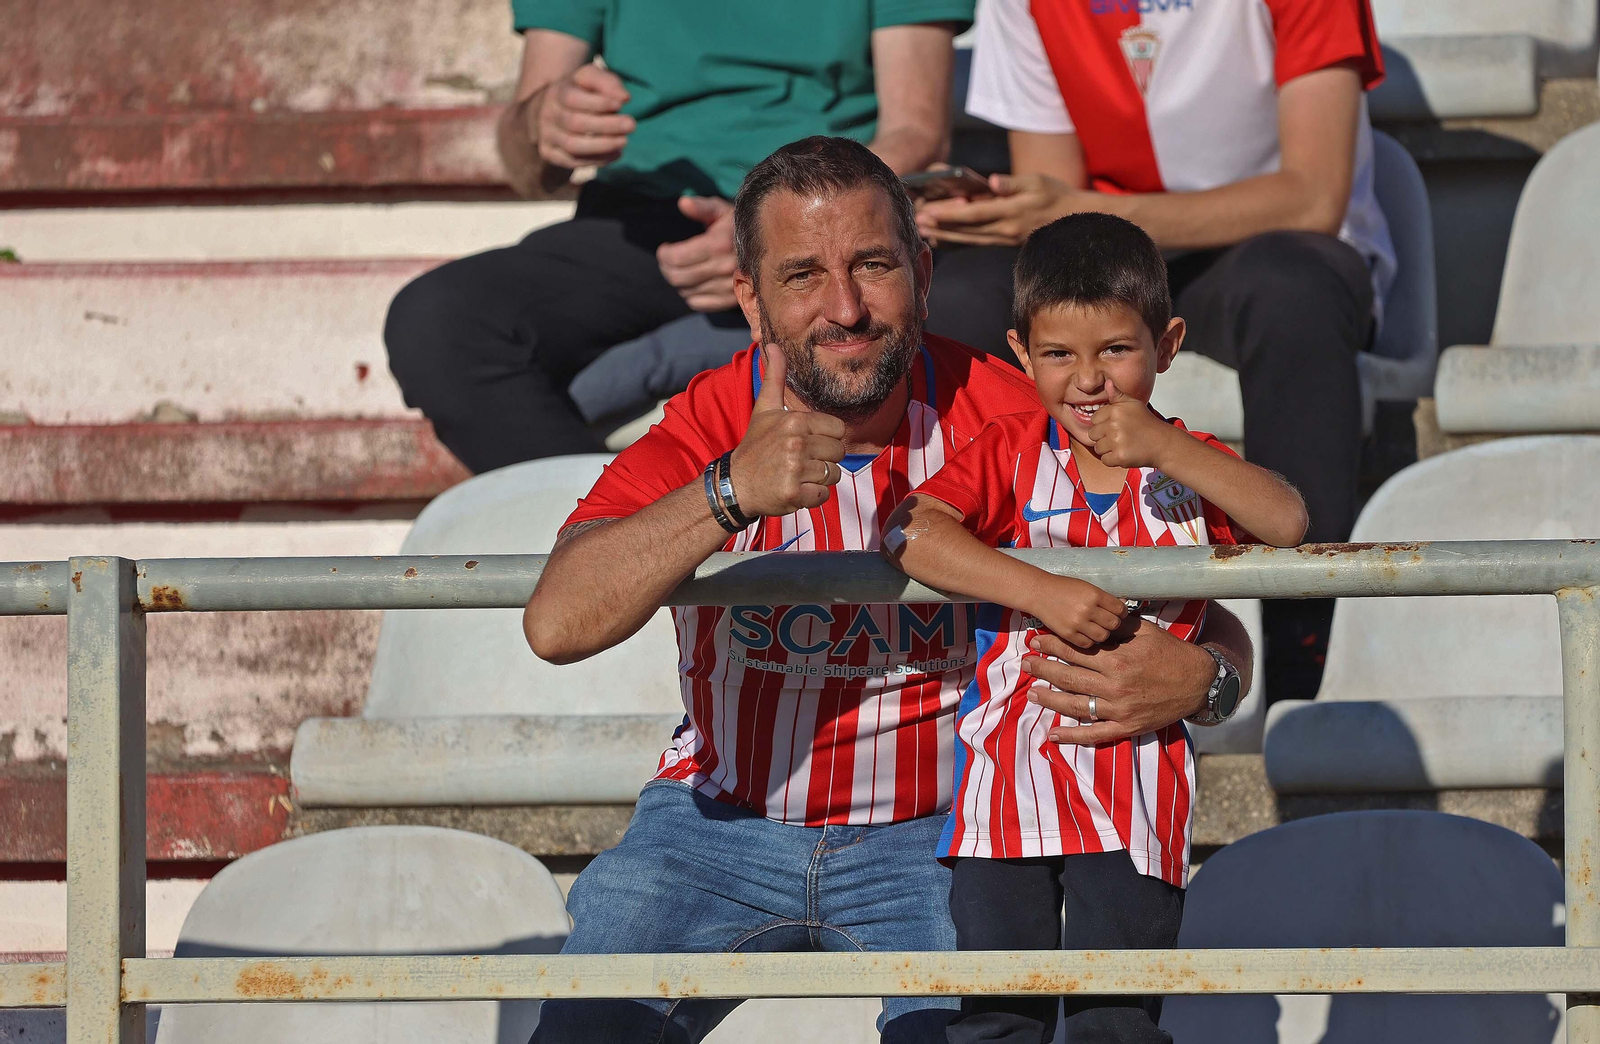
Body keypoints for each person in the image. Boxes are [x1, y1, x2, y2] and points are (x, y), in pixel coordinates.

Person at [520, 136, 1255, 1043]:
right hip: (715, 819)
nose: (846, 308)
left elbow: (1206, 613)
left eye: (875, 264)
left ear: (926, 271)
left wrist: (1207, 680)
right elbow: (556, 622)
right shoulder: (713, 416)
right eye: (801, 275)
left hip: (939, 833)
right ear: (749, 299)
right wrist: (729, 492)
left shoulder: (1016, 411)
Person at [882, 213, 1306, 1043]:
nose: (1088, 381)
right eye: (1058, 356)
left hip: (1135, 791)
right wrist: (1042, 591)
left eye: (1116, 350)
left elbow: (1287, 521)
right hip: (1005, 792)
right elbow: (910, 532)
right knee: (999, 1020)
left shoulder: (1192, 463)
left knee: (1118, 1021)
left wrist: (1167, 449)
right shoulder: (1009, 449)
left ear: (1167, 343)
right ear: (1019, 352)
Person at [916, 0, 1394, 699]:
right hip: (1114, 261)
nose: (1085, 381)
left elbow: (1314, 197)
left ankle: (1306, 660)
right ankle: (972, 637)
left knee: (1295, 295)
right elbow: (1062, 221)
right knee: (952, 302)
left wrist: (1069, 210)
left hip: (1269, 246)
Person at [383, 0, 971, 473]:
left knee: (985, 313)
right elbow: (525, 159)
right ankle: (602, 554)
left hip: (825, 219)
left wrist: (769, 227)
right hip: (644, 224)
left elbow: (916, 133)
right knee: (438, 321)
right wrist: (544, 123)